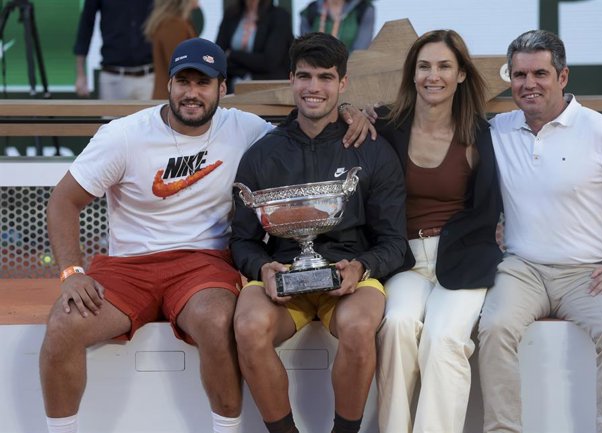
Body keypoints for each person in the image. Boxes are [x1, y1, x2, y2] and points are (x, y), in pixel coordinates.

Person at [40, 37, 372, 433]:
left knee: (218, 321)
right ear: (169, 84)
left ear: (222, 88)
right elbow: (63, 201)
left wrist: (350, 111)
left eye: (203, 83)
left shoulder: (245, 129)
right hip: (128, 267)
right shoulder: (124, 135)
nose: (191, 93)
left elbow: (307, 123)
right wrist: (71, 272)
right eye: (184, 81)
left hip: (203, 264)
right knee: (63, 325)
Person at [478, 29, 602, 433]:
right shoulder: (497, 129)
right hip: (522, 269)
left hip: (589, 273)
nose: (529, 84)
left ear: (563, 77)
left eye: (540, 74)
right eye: (519, 75)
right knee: (494, 328)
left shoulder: (601, 129)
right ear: (509, 79)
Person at [230, 32, 408, 433]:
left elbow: (395, 241)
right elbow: (241, 238)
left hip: (350, 278)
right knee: (247, 326)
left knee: (360, 328)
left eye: (326, 77)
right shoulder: (262, 153)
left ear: (343, 84)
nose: (314, 88)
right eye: (305, 76)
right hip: (281, 280)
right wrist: (263, 270)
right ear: (291, 79)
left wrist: (360, 267)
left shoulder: (371, 148)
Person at [371, 30, 503, 433]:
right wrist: (349, 111)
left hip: (461, 259)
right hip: (405, 261)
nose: (434, 75)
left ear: (461, 74)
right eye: (424, 66)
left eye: (445, 66)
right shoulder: (387, 126)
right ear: (412, 74)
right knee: (395, 327)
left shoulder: (481, 134)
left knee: (444, 339)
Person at [74, 0, 155, 99]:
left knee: (153, 114)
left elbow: (170, 20)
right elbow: (86, 25)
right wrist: (80, 74)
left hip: (149, 76)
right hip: (113, 76)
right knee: (111, 113)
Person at [215, 0, 293, 94]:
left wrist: (232, 55)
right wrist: (242, 72)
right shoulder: (231, 14)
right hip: (232, 87)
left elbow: (269, 61)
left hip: (267, 89)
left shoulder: (279, 16)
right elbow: (218, 56)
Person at [143, 0, 198, 99]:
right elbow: (180, 68)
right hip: (174, 100)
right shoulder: (174, 25)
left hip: (172, 97)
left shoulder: (172, 23)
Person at [300, 0, 375, 52]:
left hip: (350, 69)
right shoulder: (310, 10)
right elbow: (305, 48)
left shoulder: (363, 9)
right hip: (315, 68)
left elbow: (360, 50)